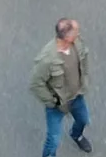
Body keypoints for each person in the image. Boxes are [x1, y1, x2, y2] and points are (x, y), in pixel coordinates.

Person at [30, 18, 93, 157]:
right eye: (76, 32)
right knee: (53, 139)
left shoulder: (77, 43)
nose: (79, 34)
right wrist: (52, 101)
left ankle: (76, 135)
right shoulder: (47, 58)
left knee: (83, 119)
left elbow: (84, 60)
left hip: (76, 96)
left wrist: (85, 80)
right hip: (57, 104)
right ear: (67, 38)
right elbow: (35, 84)